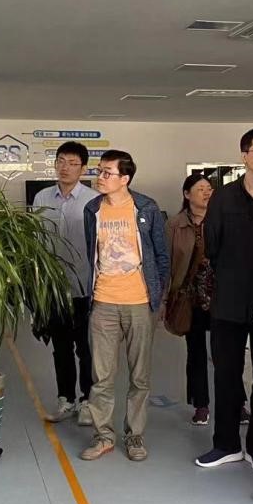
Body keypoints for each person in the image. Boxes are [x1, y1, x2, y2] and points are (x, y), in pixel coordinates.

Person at [194, 129, 253, 470]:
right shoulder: (224, 197)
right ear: (245, 155)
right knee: (226, 375)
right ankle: (225, 444)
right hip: (228, 300)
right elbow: (212, 246)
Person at [79, 150, 170, 463]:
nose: (100, 177)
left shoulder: (146, 208)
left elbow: (162, 256)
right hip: (103, 303)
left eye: (108, 172)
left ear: (125, 178)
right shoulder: (92, 209)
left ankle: (135, 436)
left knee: (139, 377)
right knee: (101, 377)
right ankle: (103, 436)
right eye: (100, 171)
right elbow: (93, 252)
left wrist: (158, 298)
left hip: (139, 304)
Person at [34, 141, 99, 425]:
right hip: (54, 288)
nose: (65, 167)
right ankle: (66, 400)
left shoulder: (94, 200)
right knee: (60, 348)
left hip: (84, 287)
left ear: (83, 169)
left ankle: (87, 401)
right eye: (61, 161)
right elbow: (37, 238)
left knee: (86, 349)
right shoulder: (41, 198)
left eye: (72, 163)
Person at [164, 173, 216, 426]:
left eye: (209, 188)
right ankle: (201, 404)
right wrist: (165, 299)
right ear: (187, 194)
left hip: (219, 296)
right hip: (189, 298)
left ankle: (237, 403)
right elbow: (167, 263)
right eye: (200, 189)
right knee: (196, 352)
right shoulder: (174, 225)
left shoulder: (220, 219)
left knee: (226, 353)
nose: (206, 192)